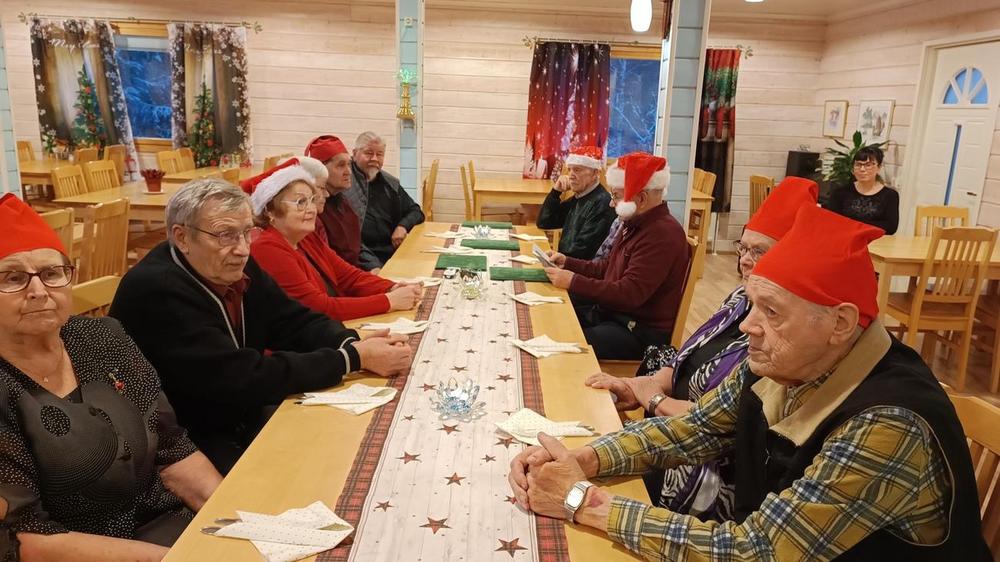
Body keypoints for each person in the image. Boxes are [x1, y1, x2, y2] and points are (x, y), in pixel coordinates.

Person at [510, 204, 991, 561]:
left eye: (772, 311)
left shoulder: (888, 423)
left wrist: (581, 499)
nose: (746, 325)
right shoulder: (788, 361)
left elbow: (758, 551)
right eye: (752, 304)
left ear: (841, 323)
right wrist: (582, 459)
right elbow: (694, 429)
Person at [109, 179, 412, 474]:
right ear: (182, 237)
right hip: (179, 444)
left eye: (246, 232)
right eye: (225, 235)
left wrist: (348, 342)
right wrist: (352, 359)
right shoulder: (157, 289)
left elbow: (291, 319)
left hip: (235, 414)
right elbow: (239, 377)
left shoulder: (233, 264)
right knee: (318, 470)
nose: (242, 249)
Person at [0, 194, 222, 560]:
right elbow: (23, 538)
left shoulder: (101, 338)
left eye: (52, 274)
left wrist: (234, 522)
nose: (39, 292)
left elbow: (174, 450)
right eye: (13, 278)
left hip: (171, 532)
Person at [584, 176, 820, 519]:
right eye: (743, 248)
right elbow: (687, 357)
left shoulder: (782, 338)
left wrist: (654, 400)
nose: (745, 260)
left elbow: (716, 425)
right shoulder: (741, 297)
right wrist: (639, 386)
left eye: (759, 252)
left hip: (706, 479)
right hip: (669, 438)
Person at [544, 152, 689, 360]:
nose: (612, 204)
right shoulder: (635, 222)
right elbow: (606, 267)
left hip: (638, 332)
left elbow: (629, 294)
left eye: (616, 196)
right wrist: (567, 262)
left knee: (564, 342)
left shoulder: (662, 234)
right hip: (614, 316)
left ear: (641, 198)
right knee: (554, 317)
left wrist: (573, 281)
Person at [245, 159, 422, 321]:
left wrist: (392, 287)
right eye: (300, 202)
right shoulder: (267, 248)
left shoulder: (305, 237)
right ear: (270, 210)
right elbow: (320, 308)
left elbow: (347, 276)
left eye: (312, 200)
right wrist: (389, 301)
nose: (311, 209)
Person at [346, 132, 425, 270]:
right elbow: (348, 240)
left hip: (393, 253)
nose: (374, 159)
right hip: (361, 261)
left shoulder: (389, 182)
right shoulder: (344, 185)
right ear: (354, 154)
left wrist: (402, 226)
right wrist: (375, 267)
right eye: (368, 153)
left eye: (380, 154)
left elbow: (416, 211)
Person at [536, 146, 616, 260]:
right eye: (570, 170)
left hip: (577, 268)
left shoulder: (603, 204)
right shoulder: (580, 197)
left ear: (595, 173)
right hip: (567, 263)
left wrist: (556, 260)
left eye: (577, 170)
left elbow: (582, 252)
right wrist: (556, 192)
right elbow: (544, 222)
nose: (571, 175)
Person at [305, 135, 363, 267]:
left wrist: (371, 267)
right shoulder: (314, 211)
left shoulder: (343, 199)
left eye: (349, 164)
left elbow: (359, 246)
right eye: (341, 165)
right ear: (321, 170)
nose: (348, 172)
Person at [825, 146, 899, 234]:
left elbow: (891, 227)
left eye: (868, 165)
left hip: (877, 240)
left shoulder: (890, 195)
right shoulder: (840, 192)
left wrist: (853, 224)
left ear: (878, 167)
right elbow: (832, 221)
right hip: (846, 237)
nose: (862, 169)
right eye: (858, 165)